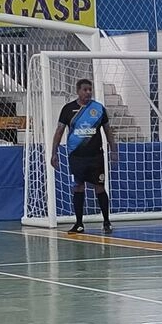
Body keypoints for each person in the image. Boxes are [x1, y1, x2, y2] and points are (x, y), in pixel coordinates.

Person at [50, 78, 117, 234]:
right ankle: (79, 223)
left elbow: (108, 131)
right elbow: (59, 132)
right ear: (78, 91)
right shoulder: (68, 109)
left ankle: (106, 222)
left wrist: (114, 150)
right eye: (85, 90)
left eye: (90, 89)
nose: (88, 92)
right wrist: (54, 153)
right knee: (78, 187)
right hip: (76, 156)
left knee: (99, 187)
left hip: (96, 157)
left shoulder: (99, 109)